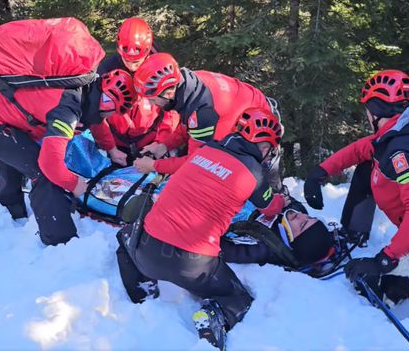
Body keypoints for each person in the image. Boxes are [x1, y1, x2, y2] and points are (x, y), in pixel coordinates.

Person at [116, 108, 288, 350]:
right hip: (193, 264)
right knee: (238, 297)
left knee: (124, 242)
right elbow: (271, 208)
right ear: (263, 147)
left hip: (145, 251)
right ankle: (214, 316)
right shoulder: (254, 173)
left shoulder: (205, 151)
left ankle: (141, 295)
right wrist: (282, 200)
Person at [302, 69, 409, 287]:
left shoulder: (403, 153)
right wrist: (320, 172)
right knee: (368, 164)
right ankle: (355, 233)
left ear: (375, 111)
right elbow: (361, 148)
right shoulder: (406, 128)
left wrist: (386, 259)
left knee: (385, 287)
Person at [0, 72, 129, 246]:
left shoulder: (85, 87)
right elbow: (50, 165)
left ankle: (8, 208)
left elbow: (97, 120)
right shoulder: (67, 109)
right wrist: (74, 184)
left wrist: (111, 149)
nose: (107, 117)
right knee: (42, 172)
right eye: (110, 111)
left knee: (16, 157)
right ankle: (60, 241)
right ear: (102, 100)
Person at [130, 52, 291, 197]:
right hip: (247, 112)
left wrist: (154, 165)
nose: (152, 103)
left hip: (259, 130)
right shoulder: (189, 85)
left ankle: (281, 203)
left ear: (169, 92)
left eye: (152, 99)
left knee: (262, 191)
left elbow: (195, 163)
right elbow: (188, 125)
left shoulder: (202, 111)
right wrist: (163, 145)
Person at [91, 69, 186, 162]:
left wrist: (161, 144)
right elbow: (97, 119)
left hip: (150, 146)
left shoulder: (159, 90)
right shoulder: (107, 85)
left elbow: (170, 116)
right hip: (115, 143)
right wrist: (111, 149)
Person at [221, 208, 335, 268]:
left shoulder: (261, 248)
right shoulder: (286, 221)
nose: (300, 215)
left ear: (293, 241)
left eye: (302, 225)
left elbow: (220, 249)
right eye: (309, 217)